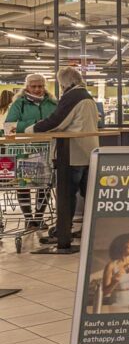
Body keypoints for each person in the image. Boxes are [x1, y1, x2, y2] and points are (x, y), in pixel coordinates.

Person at [26, 67, 100, 228]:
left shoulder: (72, 96)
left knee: (66, 195)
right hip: (89, 153)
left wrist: (30, 130)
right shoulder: (87, 96)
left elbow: (56, 121)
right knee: (88, 194)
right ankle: (90, 230)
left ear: (65, 83)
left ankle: (63, 231)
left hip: (72, 154)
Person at [5, 75, 59, 227]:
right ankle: (28, 218)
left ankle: (39, 217)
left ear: (44, 86)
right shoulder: (19, 104)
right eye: (33, 86)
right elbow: (9, 126)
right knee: (24, 186)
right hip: (25, 152)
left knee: (45, 185)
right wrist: (36, 124)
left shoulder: (53, 103)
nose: (37, 89)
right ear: (27, 87)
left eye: (40, 86)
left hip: (47, 150)